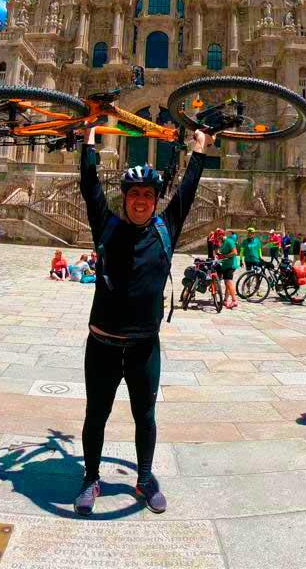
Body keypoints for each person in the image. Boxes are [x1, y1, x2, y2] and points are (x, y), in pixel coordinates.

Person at [74, 125, 212, 517]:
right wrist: (88, 138)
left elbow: (188, 190)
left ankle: (145, 477)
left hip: (143, 348)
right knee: (95, 415)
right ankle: (91, 478)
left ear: (155, 200)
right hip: (102, 346)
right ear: (125, 198)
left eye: (147, 195)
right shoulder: (107, 226)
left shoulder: (166, 229)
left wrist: (200, 149)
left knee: (145, 417)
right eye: (134, 194)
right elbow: (89, 187)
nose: (140, 200)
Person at [216, 228, 239, 309]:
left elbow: (235, 252)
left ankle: (234, 300)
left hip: (231, 265)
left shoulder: (229, 241)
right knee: (227, 283)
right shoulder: (223, 243)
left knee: (229, 282)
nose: (218, 239)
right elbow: (222, 253)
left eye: (218, 237)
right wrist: (219, 255)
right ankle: (225, 300)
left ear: (222, 236)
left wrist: (224, 256)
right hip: (225, 265)